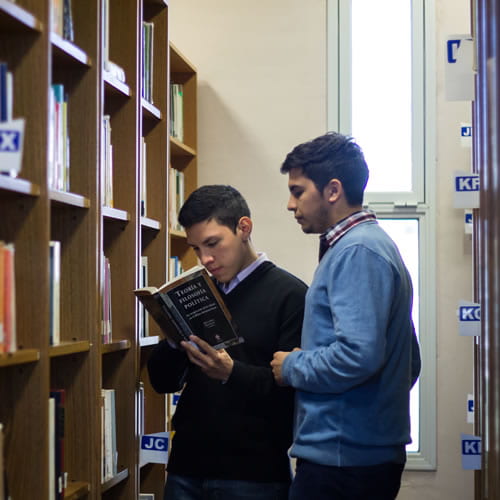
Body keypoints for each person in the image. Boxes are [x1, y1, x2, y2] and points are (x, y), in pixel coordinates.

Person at [271, 132, 421, 500]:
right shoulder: (367, 245)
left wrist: (292, 366)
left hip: (343, 462)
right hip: (354, 454)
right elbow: (409, 361)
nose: (291, 204)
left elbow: (359, 355)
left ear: (333, 190)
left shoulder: (358, 252)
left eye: (298, 190)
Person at [147, 184, 308, 500]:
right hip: (185, 469)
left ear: (243, 228)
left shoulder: (291, 296)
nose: (205, 258)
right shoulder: (198, 291)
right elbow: (162, 381)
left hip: (255, 476)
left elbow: (293, 393)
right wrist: (171, 337)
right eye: (195, 249)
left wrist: (231, 373)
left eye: (213, 244)